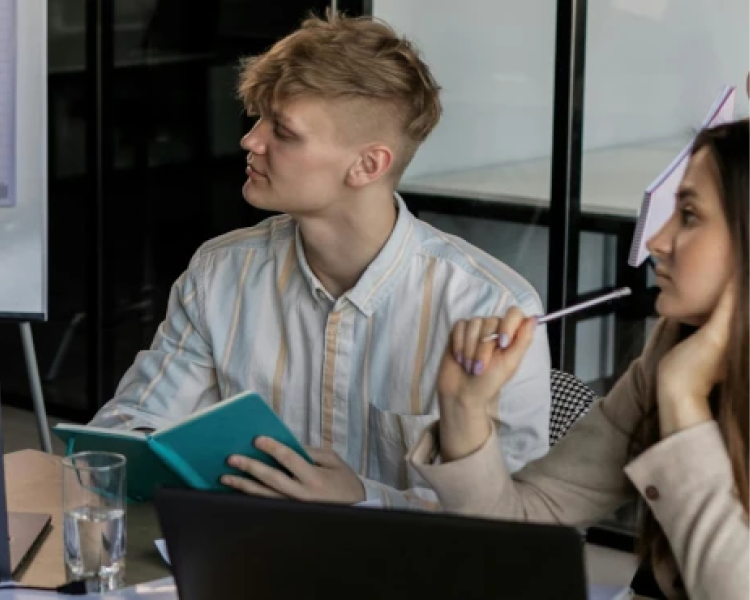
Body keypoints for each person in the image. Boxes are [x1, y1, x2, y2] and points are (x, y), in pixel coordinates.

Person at [90, 11, 551, 508]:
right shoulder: (220, 273)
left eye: (284, 132)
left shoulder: (491, 306)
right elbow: (127, 427)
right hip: (243, 546)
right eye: (258, 118)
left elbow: (517, 519)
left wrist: (364, 500)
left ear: (367, 165)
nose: (250, 140)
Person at [408, 118, 750, 599]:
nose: (657, 241)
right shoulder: (670, 348)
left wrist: (681, 398)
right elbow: (522, 525)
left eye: (689, 216)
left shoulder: (677, 373)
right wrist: (464, 407)